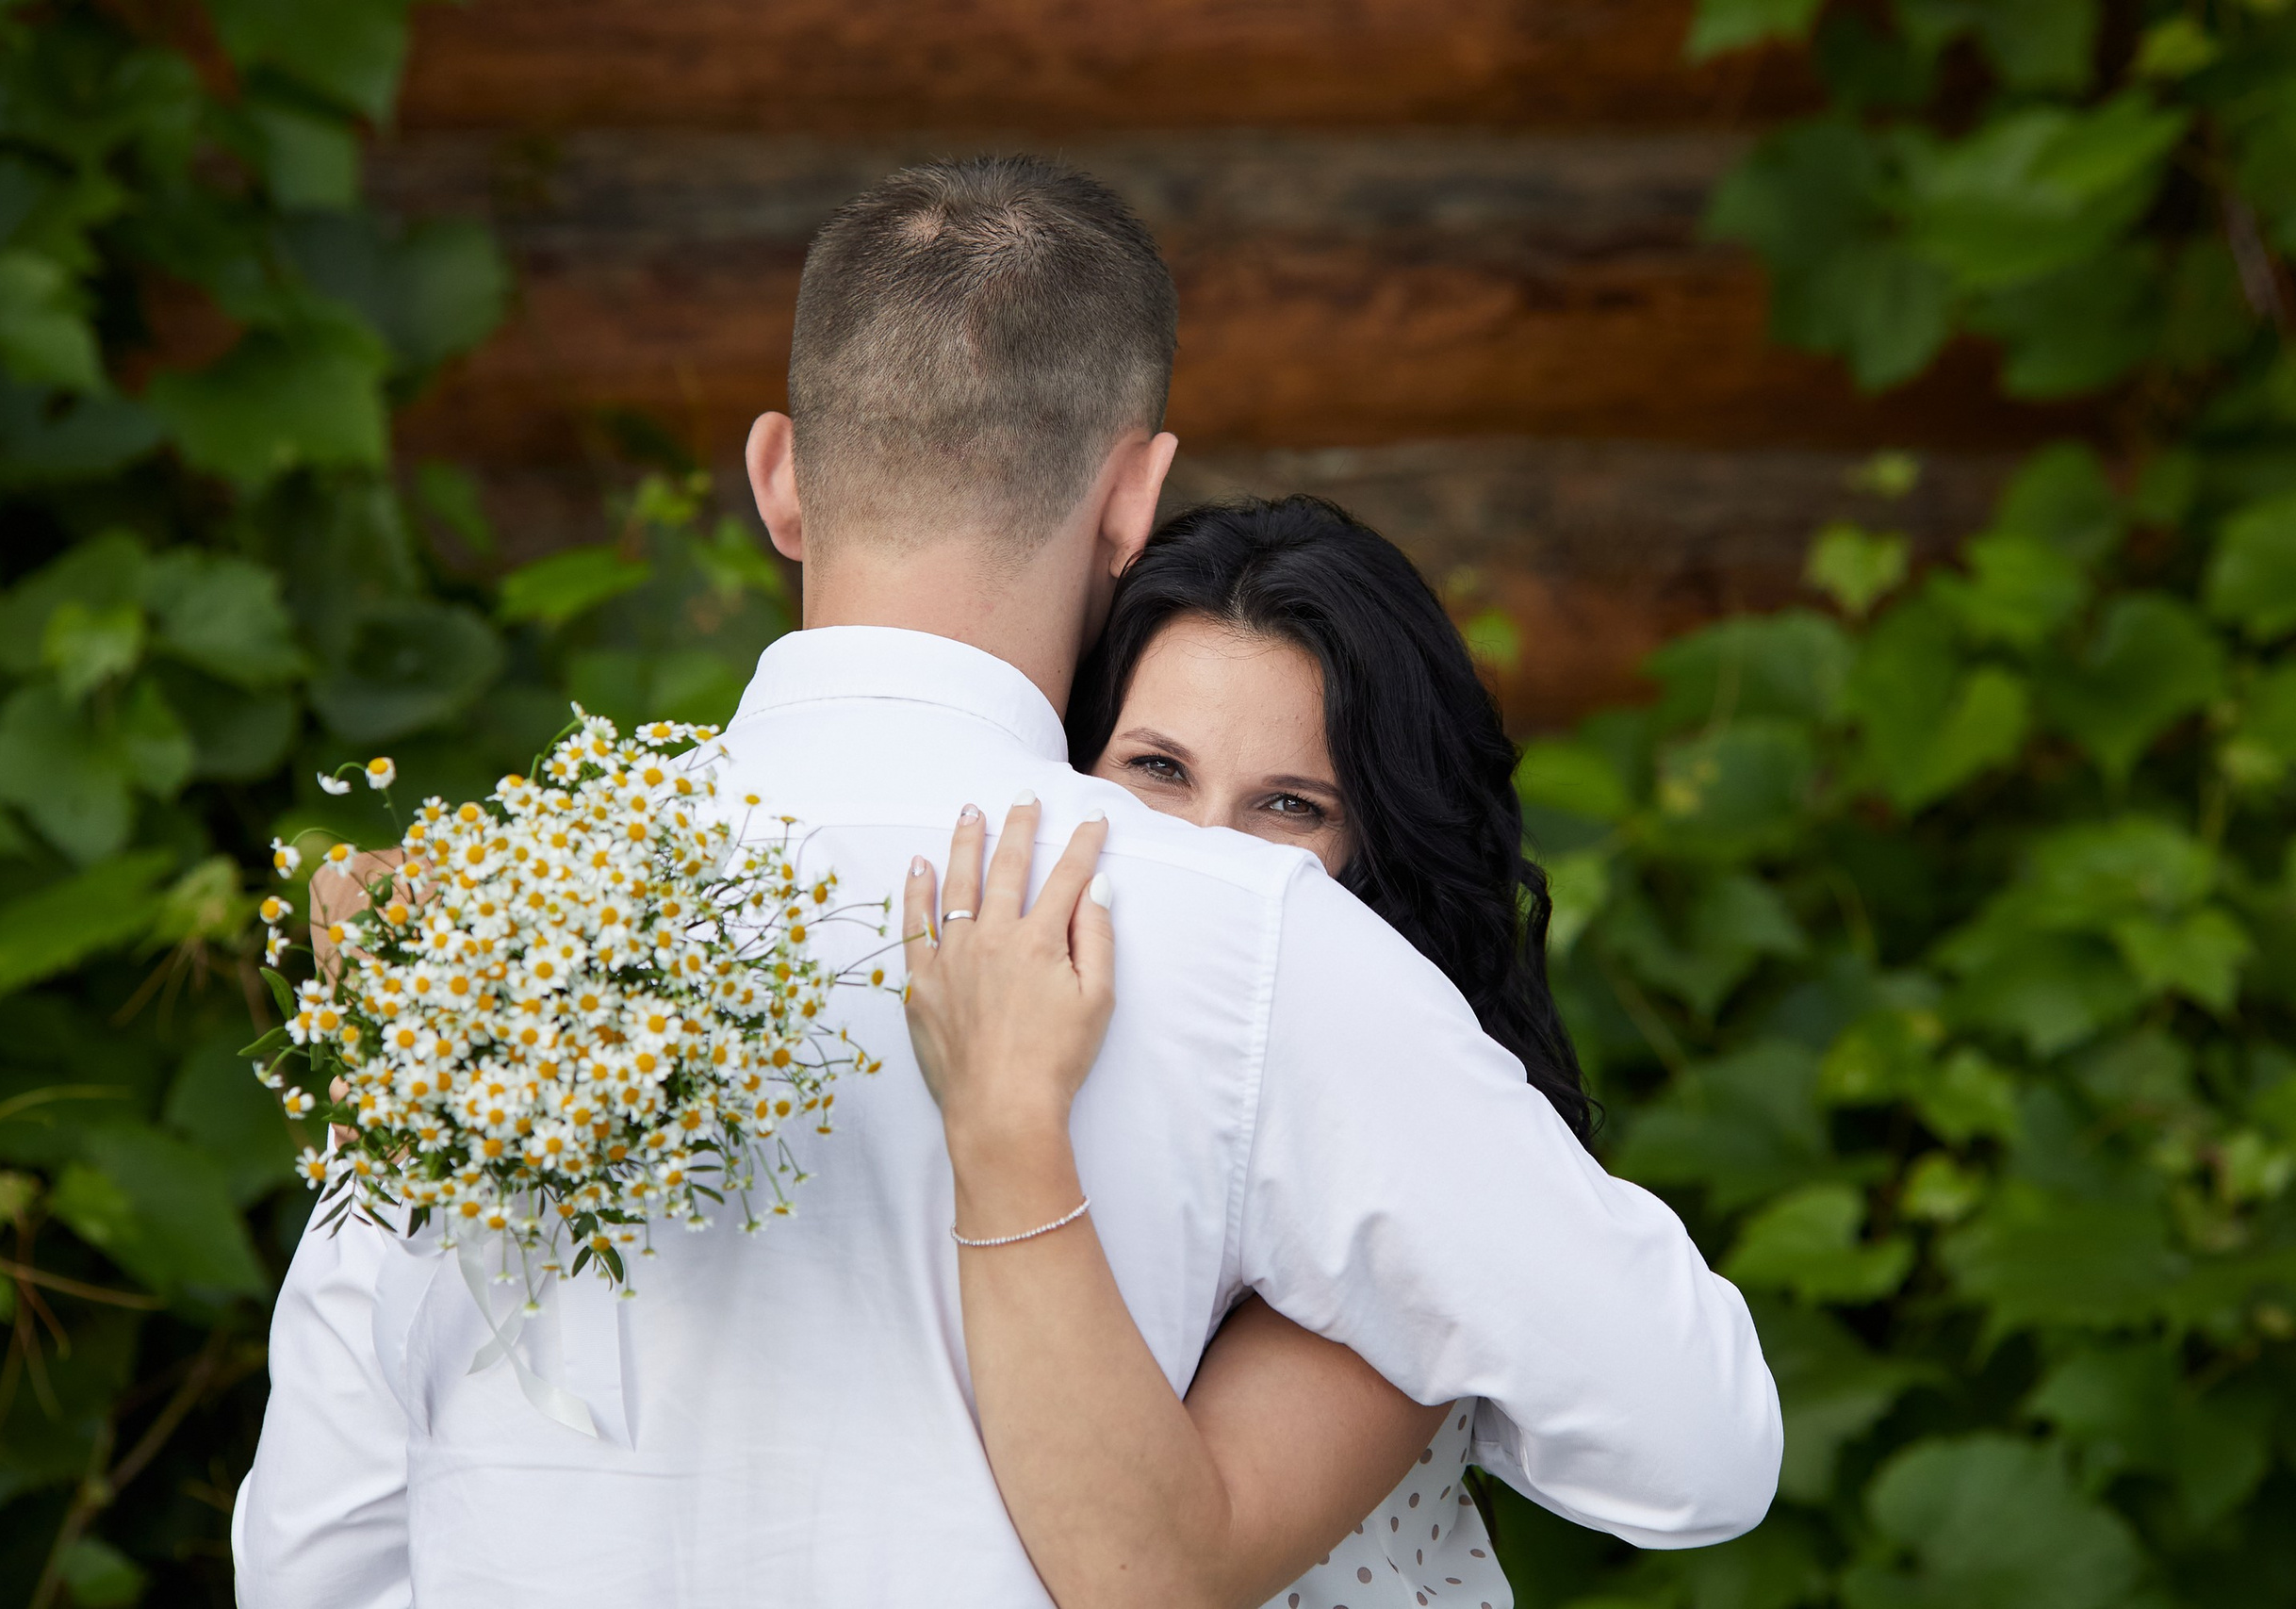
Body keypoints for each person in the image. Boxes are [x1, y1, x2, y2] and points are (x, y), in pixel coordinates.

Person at [234, 156, 1779, 1608]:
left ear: (778, 475)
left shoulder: (494, 944)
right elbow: (1697, 1443)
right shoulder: (1258, 951)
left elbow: (323, 1543)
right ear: (1131, 498)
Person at [898, 493, 1601, 1607]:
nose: (1204, 860)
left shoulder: (1402, 1148)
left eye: (1288, 806)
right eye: (1157, 772)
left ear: (1375, 851)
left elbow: (1159, 1579)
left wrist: (1004, 1126)